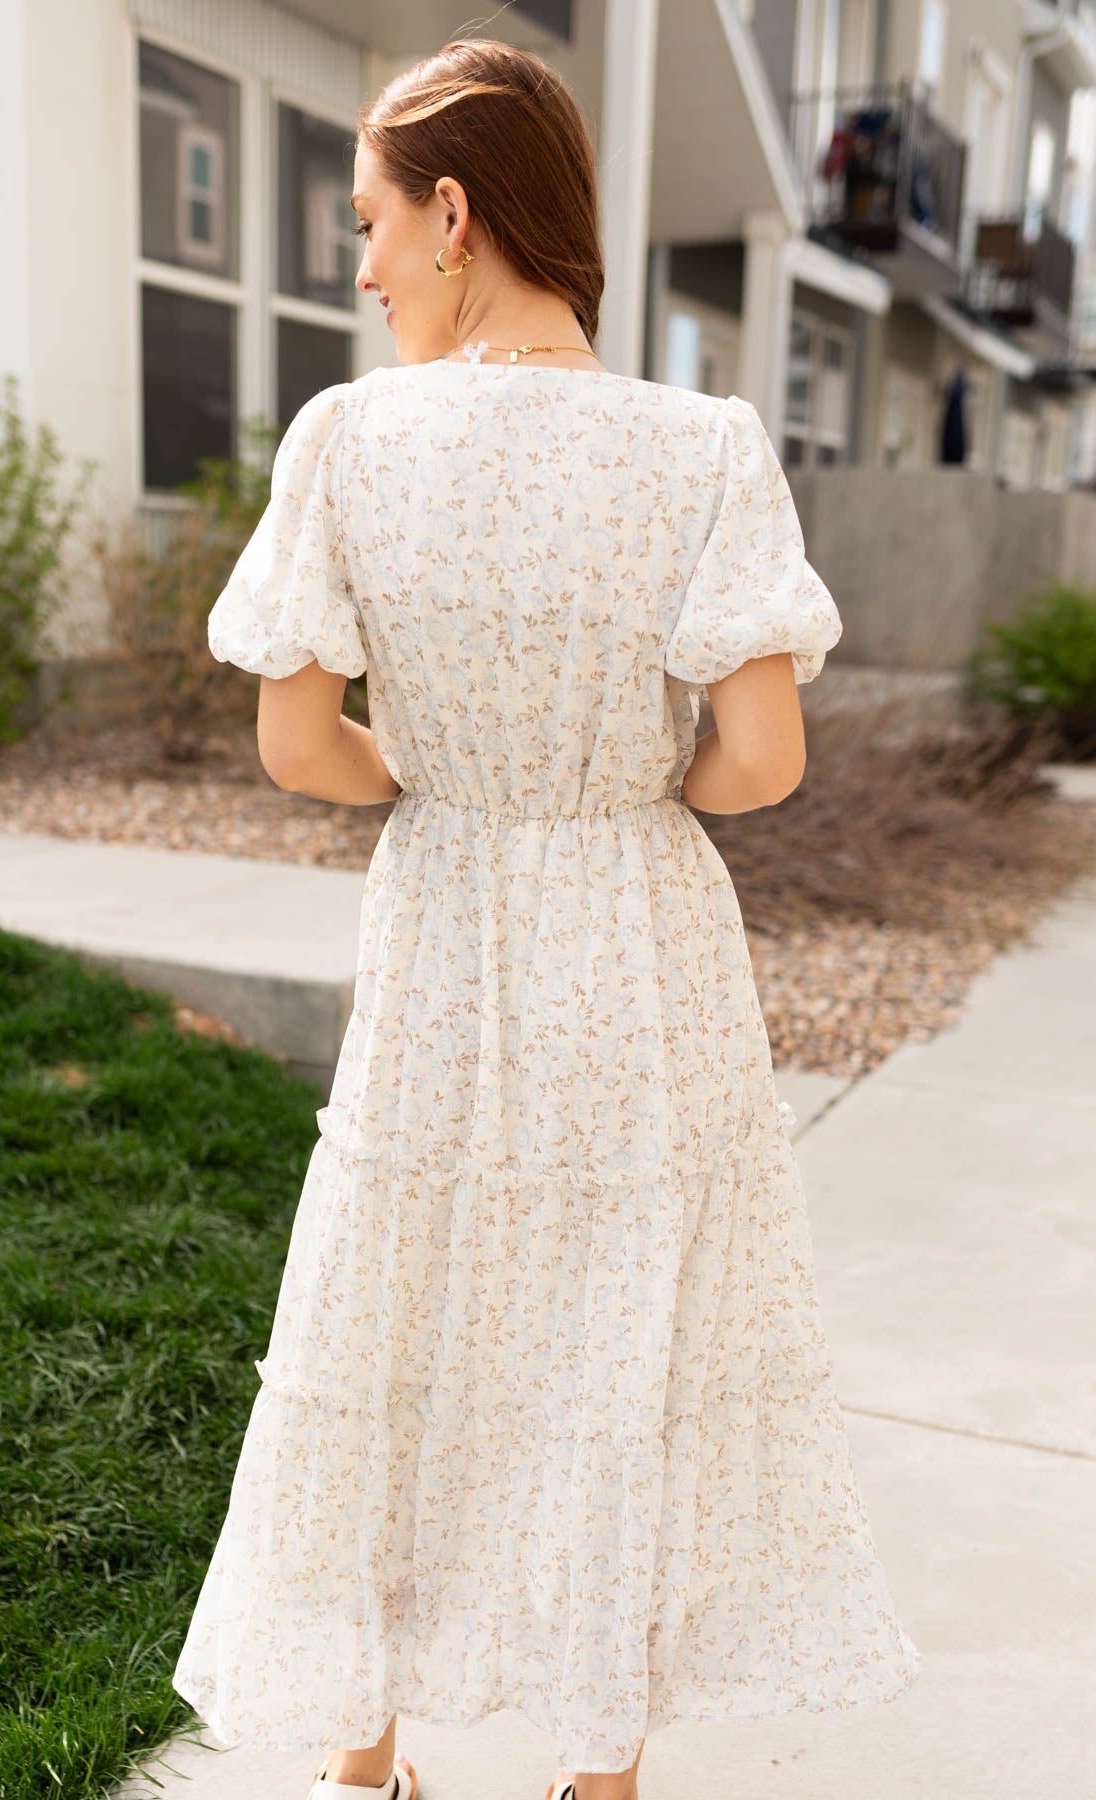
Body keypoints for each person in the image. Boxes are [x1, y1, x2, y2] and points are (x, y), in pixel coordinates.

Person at [170, 35, 920, 1800]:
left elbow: (297, 743)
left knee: (387, 1305)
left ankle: (366, 1761)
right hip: (635, 936)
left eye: (368, 223)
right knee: (622, 1322)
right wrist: (610, 793)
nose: (357, 269)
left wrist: (446, 782)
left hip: (443, 921)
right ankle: (600, 1778)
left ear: (455, 210)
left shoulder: (347, 443)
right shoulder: (703, 448)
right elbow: (760, 760)